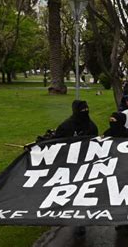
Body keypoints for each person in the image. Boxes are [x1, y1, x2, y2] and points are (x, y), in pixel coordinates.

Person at [54, 100, 98, 237]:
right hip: (70, 165)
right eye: (82, 110)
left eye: (86, 109)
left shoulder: (91, 126)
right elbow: (56, 144)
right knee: (73, 192)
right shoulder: (66, 126)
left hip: (86, 164)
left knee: (83, 193)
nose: (85, 112)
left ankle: (80, 221)